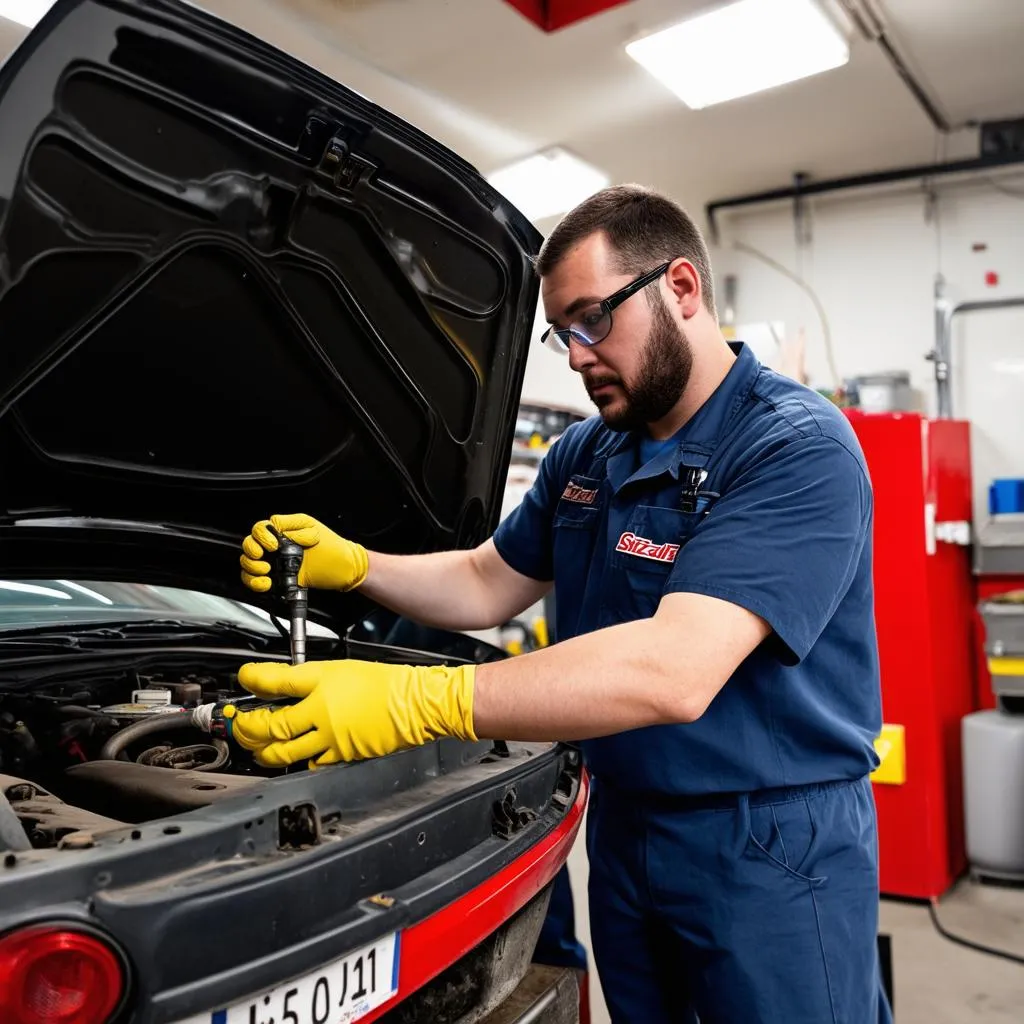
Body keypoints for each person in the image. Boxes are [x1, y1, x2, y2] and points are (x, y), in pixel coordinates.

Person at [231, 185, 892, 1024]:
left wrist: (419, 701)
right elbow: (485, 580)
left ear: (681, 289)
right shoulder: (589, 452)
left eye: (591, 320)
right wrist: (358, 566)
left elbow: (673, 672)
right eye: (561, 333)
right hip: (625, 829)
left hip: (768, 845)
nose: (576, 357)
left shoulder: (794, 447)